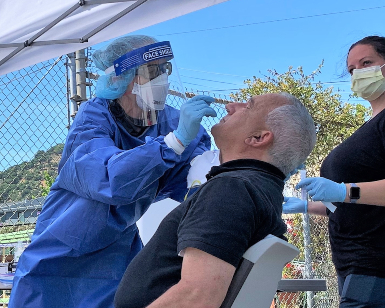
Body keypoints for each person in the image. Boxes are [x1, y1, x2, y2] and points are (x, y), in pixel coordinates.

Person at [8, 35, 217, 308]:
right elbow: (108, 178)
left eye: (165, 69)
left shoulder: (170, 121)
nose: (162, 81)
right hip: (59, 255)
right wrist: (173, 143)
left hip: (117, 254)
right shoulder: (94, 117)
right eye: (152, 72)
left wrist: (250, 175)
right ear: (122, 78)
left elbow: (190, 179)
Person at [114, 92, 316, 308]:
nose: (230, 106)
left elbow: (198, 297)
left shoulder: (231, 189)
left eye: (248, 106)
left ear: (258, 138)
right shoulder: (260, 191)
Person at [283, 35, 385, 307]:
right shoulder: (368, 128)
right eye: (352, 69)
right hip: (353, 264)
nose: (358, 73)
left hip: (375, 265)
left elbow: (350, 194)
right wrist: (307, 206)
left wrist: (344, 190)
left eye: (367, 63)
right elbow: (351, 205)